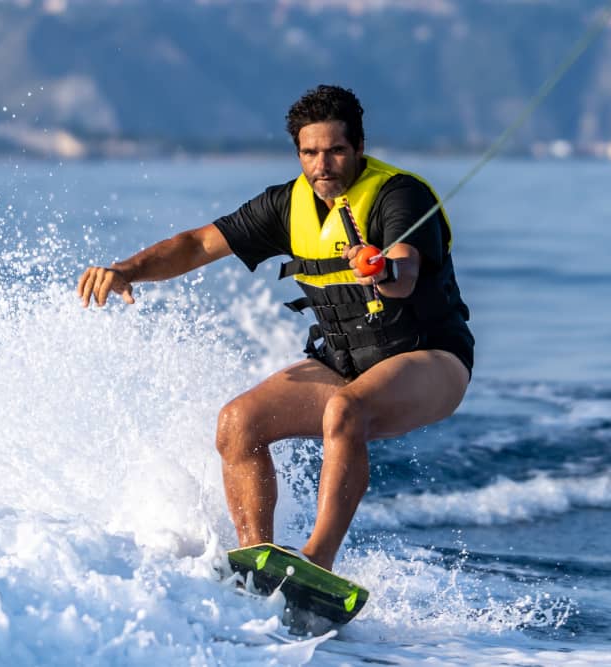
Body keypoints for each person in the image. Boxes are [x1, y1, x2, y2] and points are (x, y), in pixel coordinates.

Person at [77, 85, 473, 572]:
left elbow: (404, 272)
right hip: (345, 363)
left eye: (335, 151)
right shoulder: (286, 205)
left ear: (359, 147)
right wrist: (126, 270)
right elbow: (198, 244)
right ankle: (257, 561)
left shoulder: (400, 196)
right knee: (238, 423)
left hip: (429, 358)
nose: (322, 165)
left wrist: (380, 268)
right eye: (310, 153)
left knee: (345, 410)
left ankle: (316, 565)